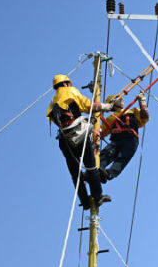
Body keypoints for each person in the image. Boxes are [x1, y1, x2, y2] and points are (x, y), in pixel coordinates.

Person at [47, 74, 121, 210]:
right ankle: (97, 196)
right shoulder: (70, 91)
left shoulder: (52, 102)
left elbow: (53, 119)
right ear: (65, 84)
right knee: (91, 166)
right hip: (79, 136)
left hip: (65, 140)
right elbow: (90, 106)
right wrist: (110, 107)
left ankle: (85, 201)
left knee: (75, 173)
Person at [97, 91, 149, 182]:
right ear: (112, 103)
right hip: (116, 140)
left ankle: (109, 173)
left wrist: (142, 101)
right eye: (119, 99)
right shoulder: (110, 118)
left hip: (130, 138)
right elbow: (101, 131)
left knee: (123, 157)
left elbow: (145, 115)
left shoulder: (132, 112)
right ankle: (97, 168)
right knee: (106, 153)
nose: (122, 100)